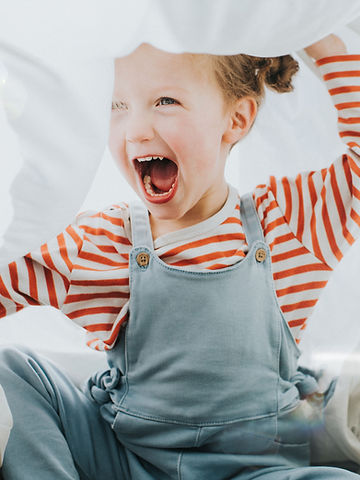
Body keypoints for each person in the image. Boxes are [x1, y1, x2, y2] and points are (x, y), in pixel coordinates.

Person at [0, 33, 359, 479]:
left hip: (255, 469)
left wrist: (324, 44)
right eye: (117, 106)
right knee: (12, 369)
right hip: (125, 461)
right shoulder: (104, 241)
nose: (136, 129)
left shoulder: (285, 225)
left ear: (237, 118)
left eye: (165, 101)